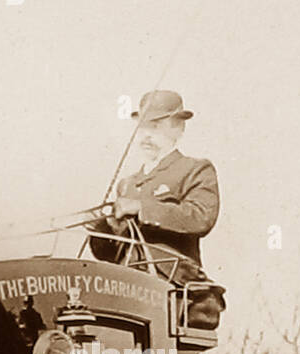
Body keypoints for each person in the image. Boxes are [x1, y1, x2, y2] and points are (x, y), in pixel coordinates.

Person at [89, 91, 225, 327]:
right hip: (126, 296)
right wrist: (104, 229)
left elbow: (201, 217)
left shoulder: (195, 169)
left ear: (178, 128)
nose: (147, 136)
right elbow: (110, 254)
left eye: (156, 127)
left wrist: (141, 208)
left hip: (172, 293)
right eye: (142, 128)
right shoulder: (127, 184)